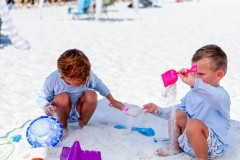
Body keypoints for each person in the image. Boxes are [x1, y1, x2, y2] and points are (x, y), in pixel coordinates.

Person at [143, 44, 230, 160]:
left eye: (201, 74)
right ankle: (175, 147)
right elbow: (178, 111)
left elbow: (214, 97)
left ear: (219, 75)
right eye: (194, 73)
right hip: (190, 142)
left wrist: (195, 83)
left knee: (194, 124)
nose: (195, 77)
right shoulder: (192, 94)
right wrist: (158, 110)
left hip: (213, 147)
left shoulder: (222, 96)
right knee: (178, 113)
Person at [37, 49, 124, 137]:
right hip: (62, 112)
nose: (83, 82)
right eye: (79, 82)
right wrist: (46, 106)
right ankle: (63, 127)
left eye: (85, 79)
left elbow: (100, 86)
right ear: (63, 78)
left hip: (79, 110)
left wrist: (112, 101)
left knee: (91, 94)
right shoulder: (53, 79)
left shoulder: (86, 75)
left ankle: (83, 124)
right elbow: (42, 98)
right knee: (62, 97)